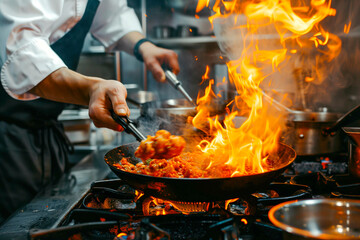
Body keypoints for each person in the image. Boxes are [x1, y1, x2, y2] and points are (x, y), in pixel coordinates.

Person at [0, 0, 180, 223]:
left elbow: (112, 15)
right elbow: (21, 54)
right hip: (6, 132)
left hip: (45, 127)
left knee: (44, 222)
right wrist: (90, 89)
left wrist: (143, 45)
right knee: (16, 224)